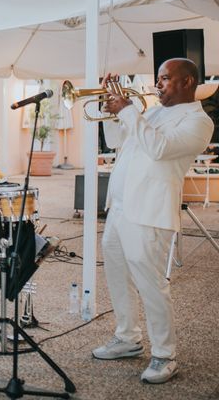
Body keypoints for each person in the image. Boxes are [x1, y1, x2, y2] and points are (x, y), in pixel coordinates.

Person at [93, 58, 213, 384]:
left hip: (149, 213)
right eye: (158, 78)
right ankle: (127, 338)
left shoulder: (198, 122)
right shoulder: (155, 111)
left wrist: (129, 111)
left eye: (164, 78)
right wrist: (113, 110)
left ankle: (164, 354)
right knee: (117, 275)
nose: (158, 84)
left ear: (187, 82)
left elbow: (159, 148)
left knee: (152, 285)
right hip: (119, 208)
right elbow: (120, 141)